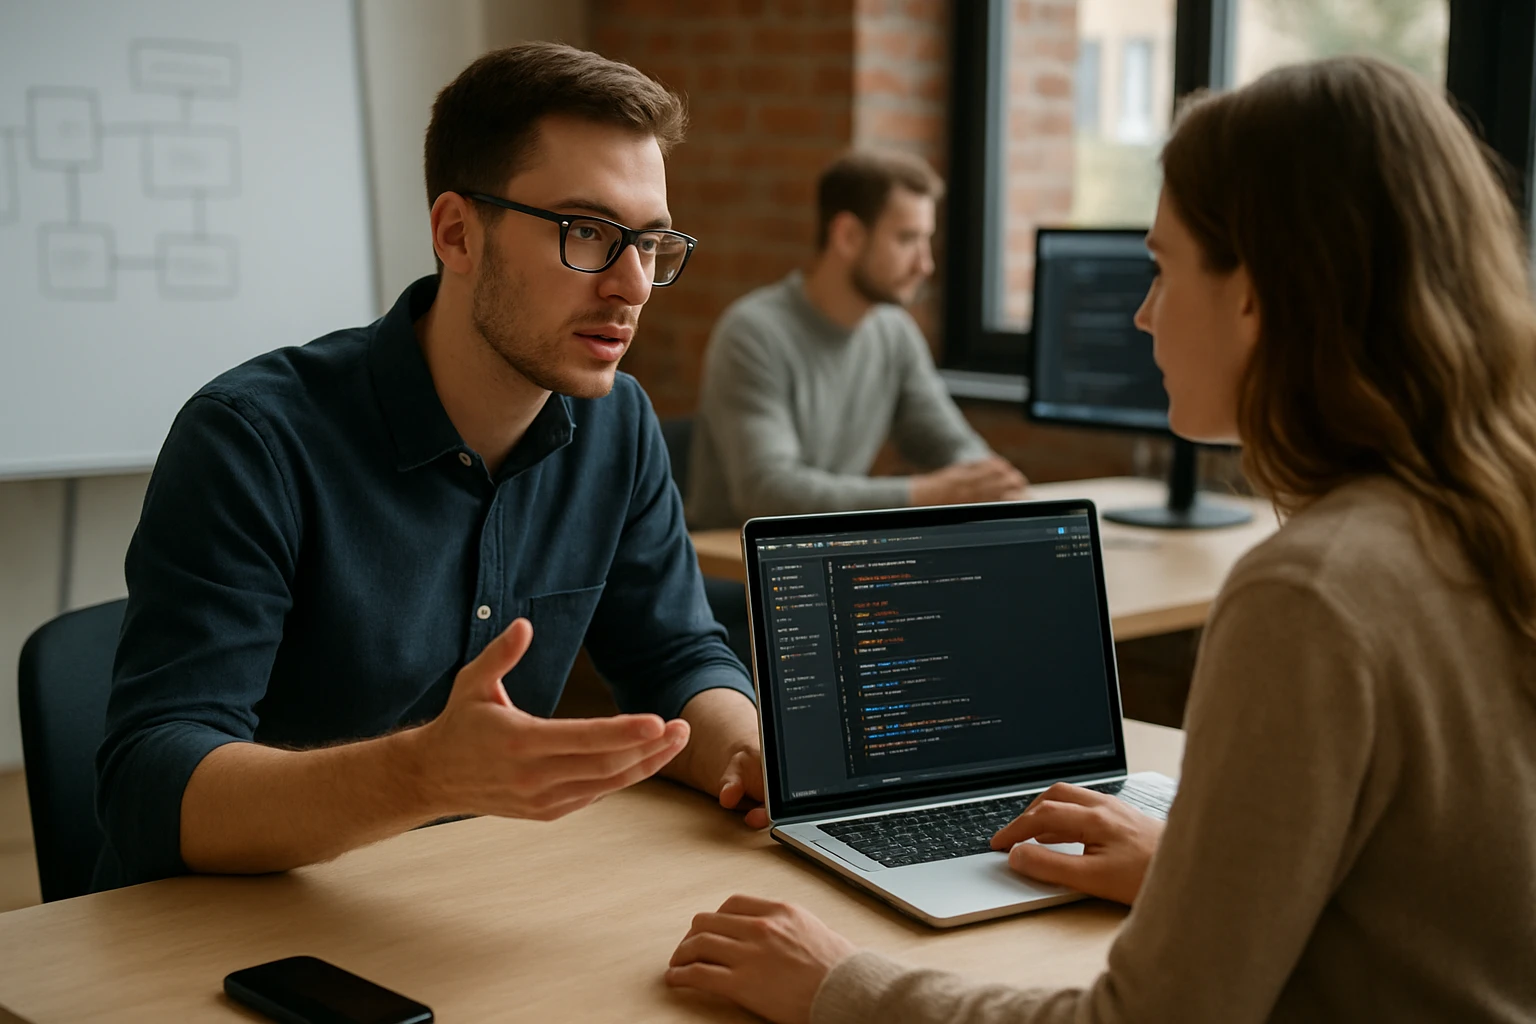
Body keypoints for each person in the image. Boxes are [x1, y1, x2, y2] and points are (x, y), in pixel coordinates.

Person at [666, 56, 1536, 1023]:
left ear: (1256, 291)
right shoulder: (1495, 518)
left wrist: (838, 983)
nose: (1143, 314)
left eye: (1161, 269)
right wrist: (1197, 872)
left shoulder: (1312, 592)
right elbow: (1428, 913)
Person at [93, 43, 768, 891]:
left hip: (462, 899)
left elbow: (677, 660)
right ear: (457, 233)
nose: (632, 284)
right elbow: (149, 790)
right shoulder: (251, 439)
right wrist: (423, 774)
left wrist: (748, 751)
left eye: (653, 242)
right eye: (587, 233)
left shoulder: (616, 424)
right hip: (221, 937)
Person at [685, 150, 1025, 529]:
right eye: (907, 239)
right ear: (847, 236)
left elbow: (950, 444)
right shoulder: (751, 334)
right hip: (732, 569)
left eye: (925, 240)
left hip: (827, 554)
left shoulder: (894, 333)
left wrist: (989, 484)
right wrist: (925, 494)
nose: (924, 265)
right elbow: (767, 492)